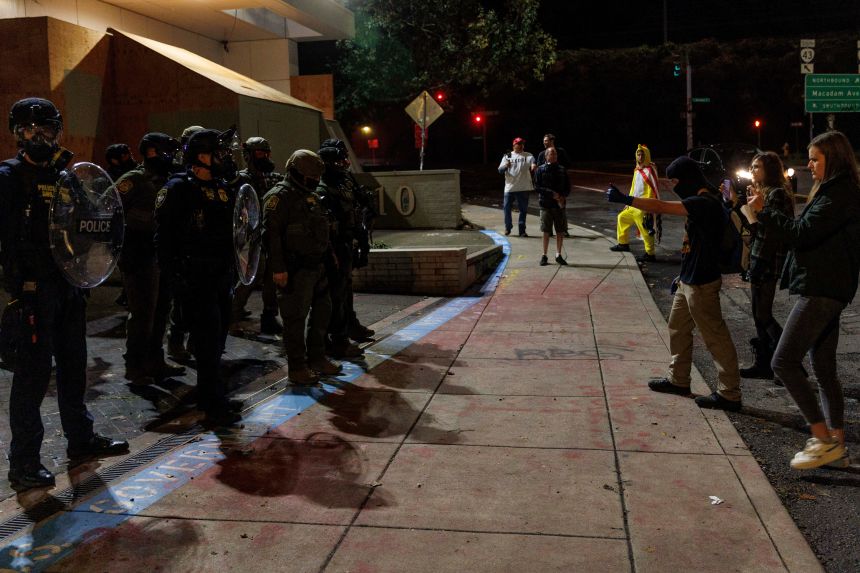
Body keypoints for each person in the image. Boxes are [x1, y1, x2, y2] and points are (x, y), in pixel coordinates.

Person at [0, 97, 128, 491]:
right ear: (17, 134)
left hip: (69, 288)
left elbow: (92, 220)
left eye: (45, 129)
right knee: (32, 378)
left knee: (75, 369)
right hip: (32, 292)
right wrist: (14, 290)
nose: (38, 137)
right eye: (28, 130)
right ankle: (24, 461)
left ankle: (81, 439)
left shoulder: (66, 177)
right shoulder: (8, 177)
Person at [744, 130, 860, 469]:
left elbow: (801, 234)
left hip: (822, 289)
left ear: (833, 159)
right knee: (824, 370)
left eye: (814, 159)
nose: (808, 165)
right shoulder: (836, 191)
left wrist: (763, 211)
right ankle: (836, 447)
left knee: (783, 362)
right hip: (829, 287)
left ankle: (822, 439)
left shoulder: (839, 194)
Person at [607, 156, 742, 411]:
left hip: (702, 283)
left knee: (715, 336)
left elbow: (660, 206)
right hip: (689, 280)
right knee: (677, 328)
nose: (673, 186)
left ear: (688, 178)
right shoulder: (702, 201)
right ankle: (679, 379)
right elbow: (693, 244)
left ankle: (730, 393)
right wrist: (682, 275)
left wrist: (627, 200)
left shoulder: (704, 203)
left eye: (675, 181)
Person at [155, 128, 241, 426]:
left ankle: (210, 393)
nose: (222, 159)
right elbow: (163, 238)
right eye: (216, 153)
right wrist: (176, 278)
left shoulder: (223, 187)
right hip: (196, 278)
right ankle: (213, 403)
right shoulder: (179, 188)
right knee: (206, 340)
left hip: (221, 277)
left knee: (217, 340)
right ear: (200, 156)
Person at [262, 150, 341, 385]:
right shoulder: (279, 197)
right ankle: (297, 367)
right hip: (294, 270)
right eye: (311, 177)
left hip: (317, 267)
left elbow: (320, 228)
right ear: (296, 172)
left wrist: (330, 256)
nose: (315, 181)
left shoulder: (311, 195)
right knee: (294, 318)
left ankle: (317, 358)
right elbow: (271, 236)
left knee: (321, 313)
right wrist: (278, 269)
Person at [116, 132, 186, 385]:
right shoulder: (133, 180)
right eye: (163, 151)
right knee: (143, 313)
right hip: (139, 256)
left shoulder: (168, 179)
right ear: (150, 152)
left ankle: (155, 361)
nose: (169, 156)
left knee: (161, 310)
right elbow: (110, 210)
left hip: (162, 255)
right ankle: (135, 365)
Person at [736, 152, 794, 381]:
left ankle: (786, 362)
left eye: (757, 167)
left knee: (763, 313)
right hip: (759, 257)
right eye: (751, 166)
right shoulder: (761, 193)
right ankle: (765, 363)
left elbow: (771, 233)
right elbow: (754, 228)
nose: (752, 171)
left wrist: (758, 263)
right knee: (757, 313)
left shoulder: (776, 194)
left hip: (768, 259)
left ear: (769, 169)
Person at [317, 143, 365, 359]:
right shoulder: (322, 188)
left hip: (345, 244)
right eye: (339, 161)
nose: (344, 164)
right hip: (333, 248)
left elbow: (354, 211)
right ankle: (338, 340)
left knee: (345, 291)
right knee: (334, 297)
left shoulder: (344, 182)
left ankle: (347, 329)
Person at [231, 136, 282, 335]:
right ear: (250, 155)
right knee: (250, 277)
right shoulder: (241, 179)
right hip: (250, 238)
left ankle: (269, 317)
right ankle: (232, 317)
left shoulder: (274, 178)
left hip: (270, 235)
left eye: (267, 153)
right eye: (261, 153)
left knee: (271, 277)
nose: (265, 157)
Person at [166, 125, 204, 362]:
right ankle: (176, 341)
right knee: (181, 304)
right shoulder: (176, 173)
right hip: (183, 244)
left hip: (201, 244)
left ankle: (195, 342)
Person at [610, 144, 660, 263]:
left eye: (642, 154)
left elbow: (652, 190)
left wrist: (648, 206)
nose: (640, 156)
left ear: (647, 155)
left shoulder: (649, 171)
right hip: (634, 204)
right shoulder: (637, 170)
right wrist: (628, 202)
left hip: (643, 205)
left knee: (645, 229)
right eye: (638, 154)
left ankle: (650, 253)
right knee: (622, 218)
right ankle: (623, 244)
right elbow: (633, 187)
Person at [534, 147, 570, 266]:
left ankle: (558, 254)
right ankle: (544, 255)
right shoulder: (540, 169)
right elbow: (537, 186)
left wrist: (562, 196)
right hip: (545, 204)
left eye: (555, 154)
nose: (553, 156)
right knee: (546, 231)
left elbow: (568, 187)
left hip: (559, 205)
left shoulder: (562, 169)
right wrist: (551, 193)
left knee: (560, 230)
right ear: (546, 156)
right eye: (551, 154)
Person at [498, 137, 535, 237]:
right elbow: (500, 170)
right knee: (506, 208)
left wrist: (533, 166)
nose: (521, 145)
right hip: (509, 188)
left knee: (523, 210)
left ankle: (522, 230)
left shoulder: (528, 155)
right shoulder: (507, 156)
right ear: (514, 145)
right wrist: (506, 166)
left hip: (523, 188)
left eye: (522, 144)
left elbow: (533, 162)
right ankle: (508, 227)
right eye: (519, 144)